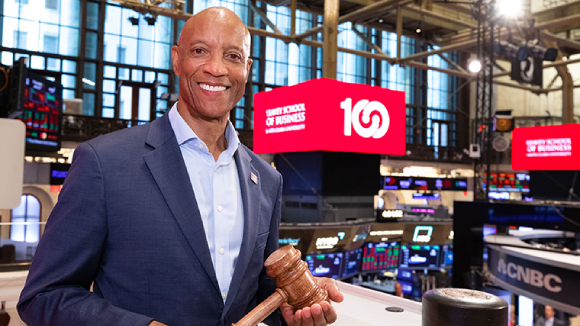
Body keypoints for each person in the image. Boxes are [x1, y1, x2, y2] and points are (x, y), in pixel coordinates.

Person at [17, 7, 343, 326]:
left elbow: (257, 296)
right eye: (200, 51)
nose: (216, 68)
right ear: (176, 59)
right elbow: (45, 296)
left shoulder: (268, 180)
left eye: (232, 56)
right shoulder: (104, 162)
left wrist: (291, 311)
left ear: (247, 69)